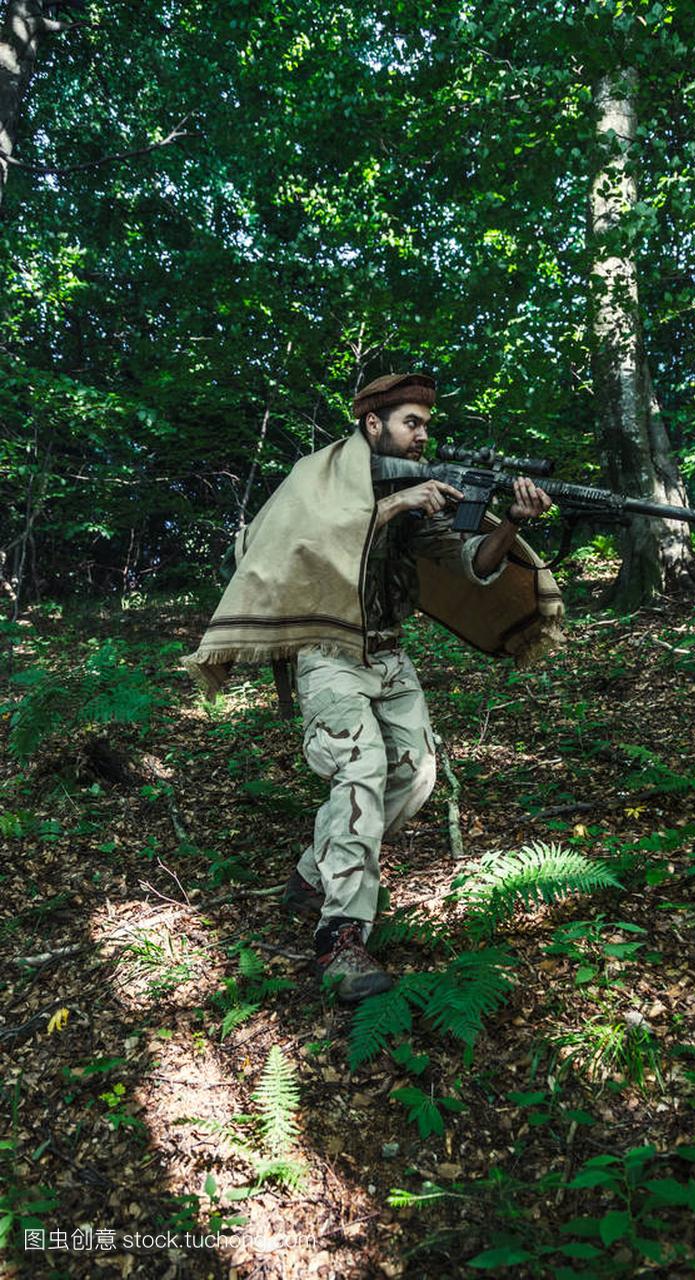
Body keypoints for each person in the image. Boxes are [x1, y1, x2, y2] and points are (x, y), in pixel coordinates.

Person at [183, 371, 562, 1004]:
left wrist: (509, 525)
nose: (422, 435)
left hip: (388, 652)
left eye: (425, 425)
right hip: (329, 654)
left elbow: (470, 564)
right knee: (358, 771)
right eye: (411, 423)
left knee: (415, 773)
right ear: (372, 425)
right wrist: (393, 506)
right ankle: (341, 938)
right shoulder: (317, 477)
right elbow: (296, 543)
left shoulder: (418, 486)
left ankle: (313, 874)